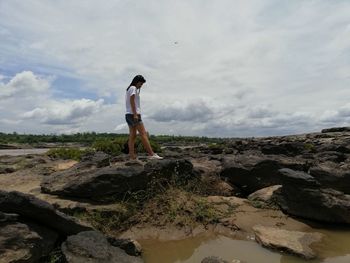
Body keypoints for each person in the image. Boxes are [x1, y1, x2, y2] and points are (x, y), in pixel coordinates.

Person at [125, 75, 163, 160]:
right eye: (141, 83)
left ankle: (132, 156)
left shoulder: (129, 88)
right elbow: (132, 101)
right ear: (137, 81)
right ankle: (151, 154)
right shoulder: (133, 88)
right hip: (133, 114)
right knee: (143, 134)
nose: (141, 85)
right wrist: (135, 114)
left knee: (133, 135)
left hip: (128, 114)